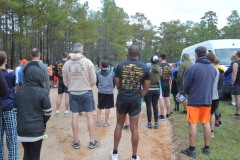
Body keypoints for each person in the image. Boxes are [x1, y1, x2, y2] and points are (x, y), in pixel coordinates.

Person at [111, 45, 150, 160]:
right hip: (135, 99)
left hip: (122, 98)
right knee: (134, 128)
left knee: (119, 124)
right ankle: (134, 156)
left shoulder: (120, 66)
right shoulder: (144, 67)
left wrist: (124, 92)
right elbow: (146, 88)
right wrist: (138, 96)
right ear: (138, 53)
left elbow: (117, 84)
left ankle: (115, 153)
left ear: (128, 53)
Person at [62, 43, 100, 149]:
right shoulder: (87, 62)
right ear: (82, 51)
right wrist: (89, 85)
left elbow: (65, 81)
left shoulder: (66, 64)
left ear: (73, 51)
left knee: (74, 116)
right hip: (86, 92)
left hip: (73, 92)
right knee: (89, 117)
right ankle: (92, 141)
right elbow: (94, 79)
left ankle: (76, 141)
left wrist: (72, 86)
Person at [181, 46, 216, 158]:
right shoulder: (212, 68)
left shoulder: (192, 68)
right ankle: (207, 148)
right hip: (207, 100)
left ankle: (192, 149)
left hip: (194, 101)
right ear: (205, 54)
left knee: (193, 123)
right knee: (206, 123)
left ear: (196, 55)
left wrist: (185, 92)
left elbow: (185, 85)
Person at [14, 64, 52, 160]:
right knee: (35, 156)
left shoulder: (19, 91)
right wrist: (42, 121)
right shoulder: (42, 92)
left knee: (26, 153)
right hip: (37, 130)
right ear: (39, 76)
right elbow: (48, 112)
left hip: (22, 130)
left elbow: (14, 112)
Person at [0, 51, 18, 160]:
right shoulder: (11, 74)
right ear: (6, 60)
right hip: (9, 107)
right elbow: (16, 86)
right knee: (12, 138)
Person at [96, 60, 115, 127]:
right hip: (109, 91)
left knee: (99, 106)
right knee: (107, 107)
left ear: (101, 66)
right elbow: (114, 82)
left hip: (101, 91)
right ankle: (106, 122)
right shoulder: (112, 73)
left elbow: (97, 83)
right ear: (108, 66)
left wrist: (99, 88)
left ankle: (98, 121)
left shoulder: (98, 73)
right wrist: (112, 88)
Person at [144, 55, 161, 129]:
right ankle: (156, 123)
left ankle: (149, 123)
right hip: (157, 89)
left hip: (149, 89)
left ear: (151, 61)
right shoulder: (160, 69)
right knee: (155, 105)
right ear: (157, 61)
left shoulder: (148, 69)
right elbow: (160, 76)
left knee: (148, 106)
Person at [206, 52, 220, 138]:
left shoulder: (209, 69)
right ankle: (211, 131)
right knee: (212, 113)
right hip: (215, 95)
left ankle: (208, 132)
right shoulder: (216, 69)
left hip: (209, 95)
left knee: (207, 115)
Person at [54, 52, 70, 117]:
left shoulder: (58, 63)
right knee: (67, 96)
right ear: (67, 56)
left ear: (62, 55)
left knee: (59, 96)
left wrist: (59, 76)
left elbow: (55, 72)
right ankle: (66, 112)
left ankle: (57, 111)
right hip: (67, 81)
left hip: (60, 80)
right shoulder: (69, 63)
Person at [158, 53, 172, 120]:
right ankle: (168, 114)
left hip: (161, 83)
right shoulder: (169, 66)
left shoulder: (159, 66)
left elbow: (159, 76)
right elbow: (170, 75)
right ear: (165, 58)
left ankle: (162, 115)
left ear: (161, 58)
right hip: (167, 83)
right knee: (167, 98)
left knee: (161, 99)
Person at [231, 51, 240, 118]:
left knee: (237, 97)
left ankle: (238, 113)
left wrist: (232, 82)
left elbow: (234, 73)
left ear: (237, 55)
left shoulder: (235, 64)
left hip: (237, 82)